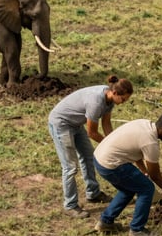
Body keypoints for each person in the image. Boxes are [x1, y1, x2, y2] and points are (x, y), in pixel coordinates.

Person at [94, 113, 162, 236]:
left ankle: (105, 222)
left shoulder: (144, 124)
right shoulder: (151, 143)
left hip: (99, 158)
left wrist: (144, 171)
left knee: (128, 189)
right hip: (111, 165)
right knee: (146, 188)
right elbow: (156, 177)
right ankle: (137, 230)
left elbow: (136, 151)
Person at [48, 76, 133, 219]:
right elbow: (92, 133)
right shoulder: (96, 102)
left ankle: (93, 193)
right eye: (123, 99)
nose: (123, 103)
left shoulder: (109, 100)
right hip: (61, 124)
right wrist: (108, 144)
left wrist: (112, 142)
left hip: (75, 124)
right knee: (70, 167)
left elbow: (106, 123)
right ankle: (70, 205)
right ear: (115, 93)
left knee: (88, 157)